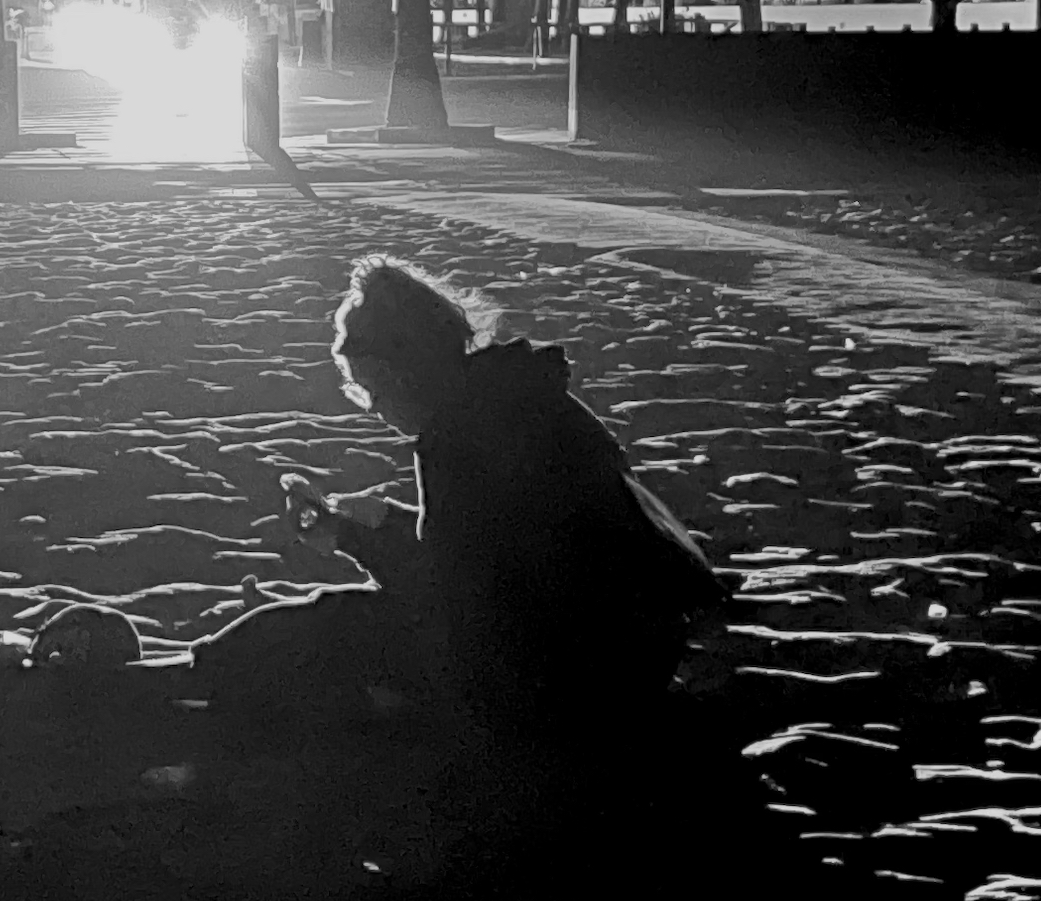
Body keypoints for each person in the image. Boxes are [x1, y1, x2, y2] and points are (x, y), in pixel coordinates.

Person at [206, 254, 726, 719]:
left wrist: (352, 539)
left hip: (574, 678)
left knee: (333, 626)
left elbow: (455, 599)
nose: (374, 408)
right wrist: (378, 524)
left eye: (368, 389)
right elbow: (492, 548)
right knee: (339, 622)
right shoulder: (524, 396)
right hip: (640, 653)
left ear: (403, 375)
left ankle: (209, 676)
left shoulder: (458, 438)